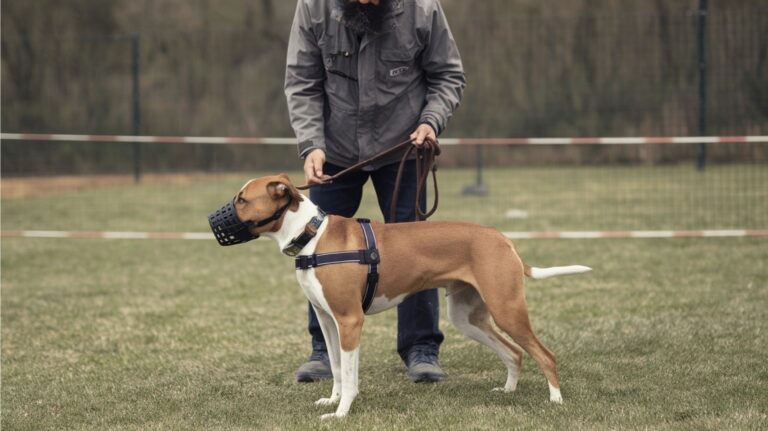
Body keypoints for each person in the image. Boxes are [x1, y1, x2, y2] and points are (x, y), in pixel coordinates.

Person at [284, 0, 465, 383]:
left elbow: (448, 76)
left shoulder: (423, 9)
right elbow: (302, 82)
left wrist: (431, 121)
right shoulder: (313, 8)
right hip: (334, 151)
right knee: (320, 251)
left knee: (416, 250)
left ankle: (421, 349)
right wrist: (311, 143)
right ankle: (322, 350)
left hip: (402, 149)